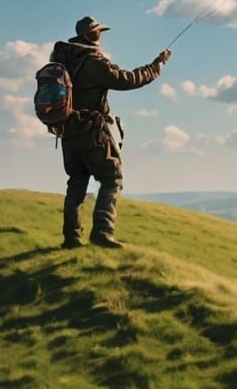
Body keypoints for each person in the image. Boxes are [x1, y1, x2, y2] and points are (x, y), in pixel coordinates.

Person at [49, 15, 170, 249]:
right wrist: (158, 65)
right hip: (92, 131)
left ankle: (71, 239)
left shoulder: (61, 59)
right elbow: (129, 80)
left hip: (67, 131)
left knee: (76, 181)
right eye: (98, 33)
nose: (100, 36)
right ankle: (102, 233)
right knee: (112, 178)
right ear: (90, 36)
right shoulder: (93, 62)